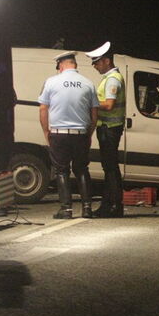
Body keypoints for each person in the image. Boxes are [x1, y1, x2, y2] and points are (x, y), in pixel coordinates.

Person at [39, 51, 99, 219]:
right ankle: (87, 208)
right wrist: (89, 133)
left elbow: (43, 109)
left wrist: (46, 131)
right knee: (81, 169)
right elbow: (94, 113)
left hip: (59, 134)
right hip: (81, 134)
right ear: (75, 64)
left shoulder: (51, 82)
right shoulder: (88, 84)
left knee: (61, 170)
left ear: (62, 65)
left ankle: (66, 209)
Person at [86, 41, 126, 218]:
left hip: (110, 129)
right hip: (108, 128)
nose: (94, 66)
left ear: (107, 61)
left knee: (110, 168)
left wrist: (89, 103)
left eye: (97, 62)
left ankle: (113, 206)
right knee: (109, 167)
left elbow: (108, 105)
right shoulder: (109, 78)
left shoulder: (112, 79)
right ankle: (110, 204)